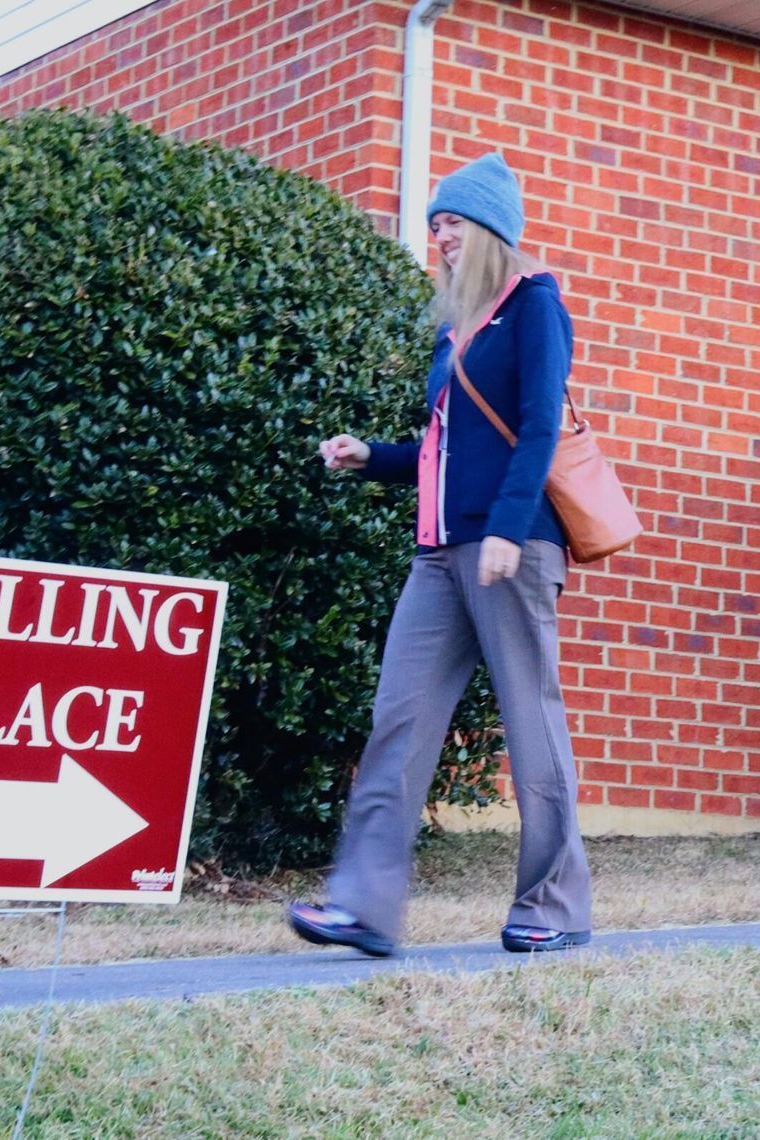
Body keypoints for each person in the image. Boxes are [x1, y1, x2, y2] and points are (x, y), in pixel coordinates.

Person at [288, 152, 592, 958]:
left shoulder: (535, 304)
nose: (442, 237)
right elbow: (442, 448)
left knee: (532, 723)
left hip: (511, 546)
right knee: (400, 719)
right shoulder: (455, 326)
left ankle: (555, 905)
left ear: (490, 228)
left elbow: (538, 427)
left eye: (454, 222)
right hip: (439, 551)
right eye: (435, 226)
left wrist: (506, 527)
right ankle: (364, 908)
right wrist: (371, 459)